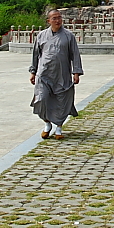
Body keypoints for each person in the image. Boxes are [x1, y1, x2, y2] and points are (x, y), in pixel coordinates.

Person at [29, 10, 83, 139]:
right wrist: (33, 71)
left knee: (61, 101)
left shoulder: (68, 36)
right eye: (54, 18)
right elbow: (36, 55)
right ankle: (47, 124)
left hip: (62, 74)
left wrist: (76, 72)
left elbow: (75, 55)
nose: (57, 20)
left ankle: (58, 128)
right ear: (48, 21)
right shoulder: (41, 35)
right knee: (41, 99)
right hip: (44, 74)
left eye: (59, 18)